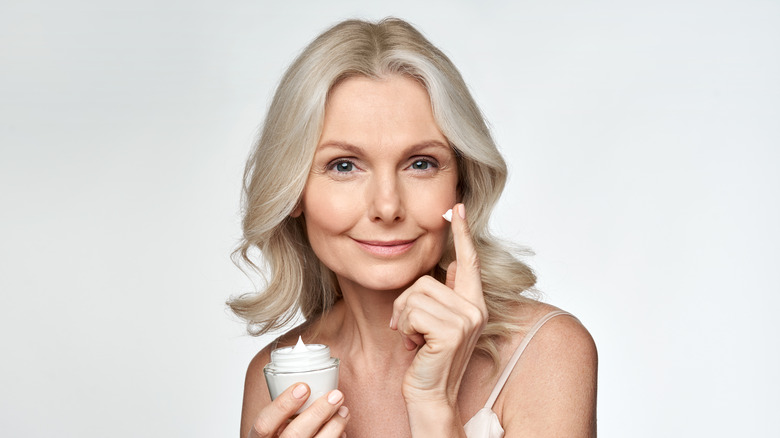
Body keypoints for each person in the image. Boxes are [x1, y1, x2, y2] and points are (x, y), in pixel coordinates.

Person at [228, 18, 597, 438]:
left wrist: (434, 406)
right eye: (344, 165)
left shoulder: (547, 351)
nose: (387, 206)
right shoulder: (275, 372)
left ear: (461, 182)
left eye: (420, 163)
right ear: (294, 191)